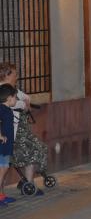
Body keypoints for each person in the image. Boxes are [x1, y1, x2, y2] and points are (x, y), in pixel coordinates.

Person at [0, 63, 48, 196]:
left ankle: (27, 183)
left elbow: (26, 98)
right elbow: (17, 104)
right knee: (7, 163)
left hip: (17, 130)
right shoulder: (3, 91)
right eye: (15, 74)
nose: (17, 76)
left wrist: (24, 103)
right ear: (7, 74)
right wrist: (23, 104)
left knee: (32, 151)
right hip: (8, 134)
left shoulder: (12, 88)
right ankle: (27, 184)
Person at [0, 84, 17, 206]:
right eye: (15, 97)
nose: (16, 100)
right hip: (3, 146)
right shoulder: (2, 109)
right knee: (2, 170)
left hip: (6, 146)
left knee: (3, 172)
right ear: (9, 98)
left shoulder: (6, 109)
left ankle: (1, 196)